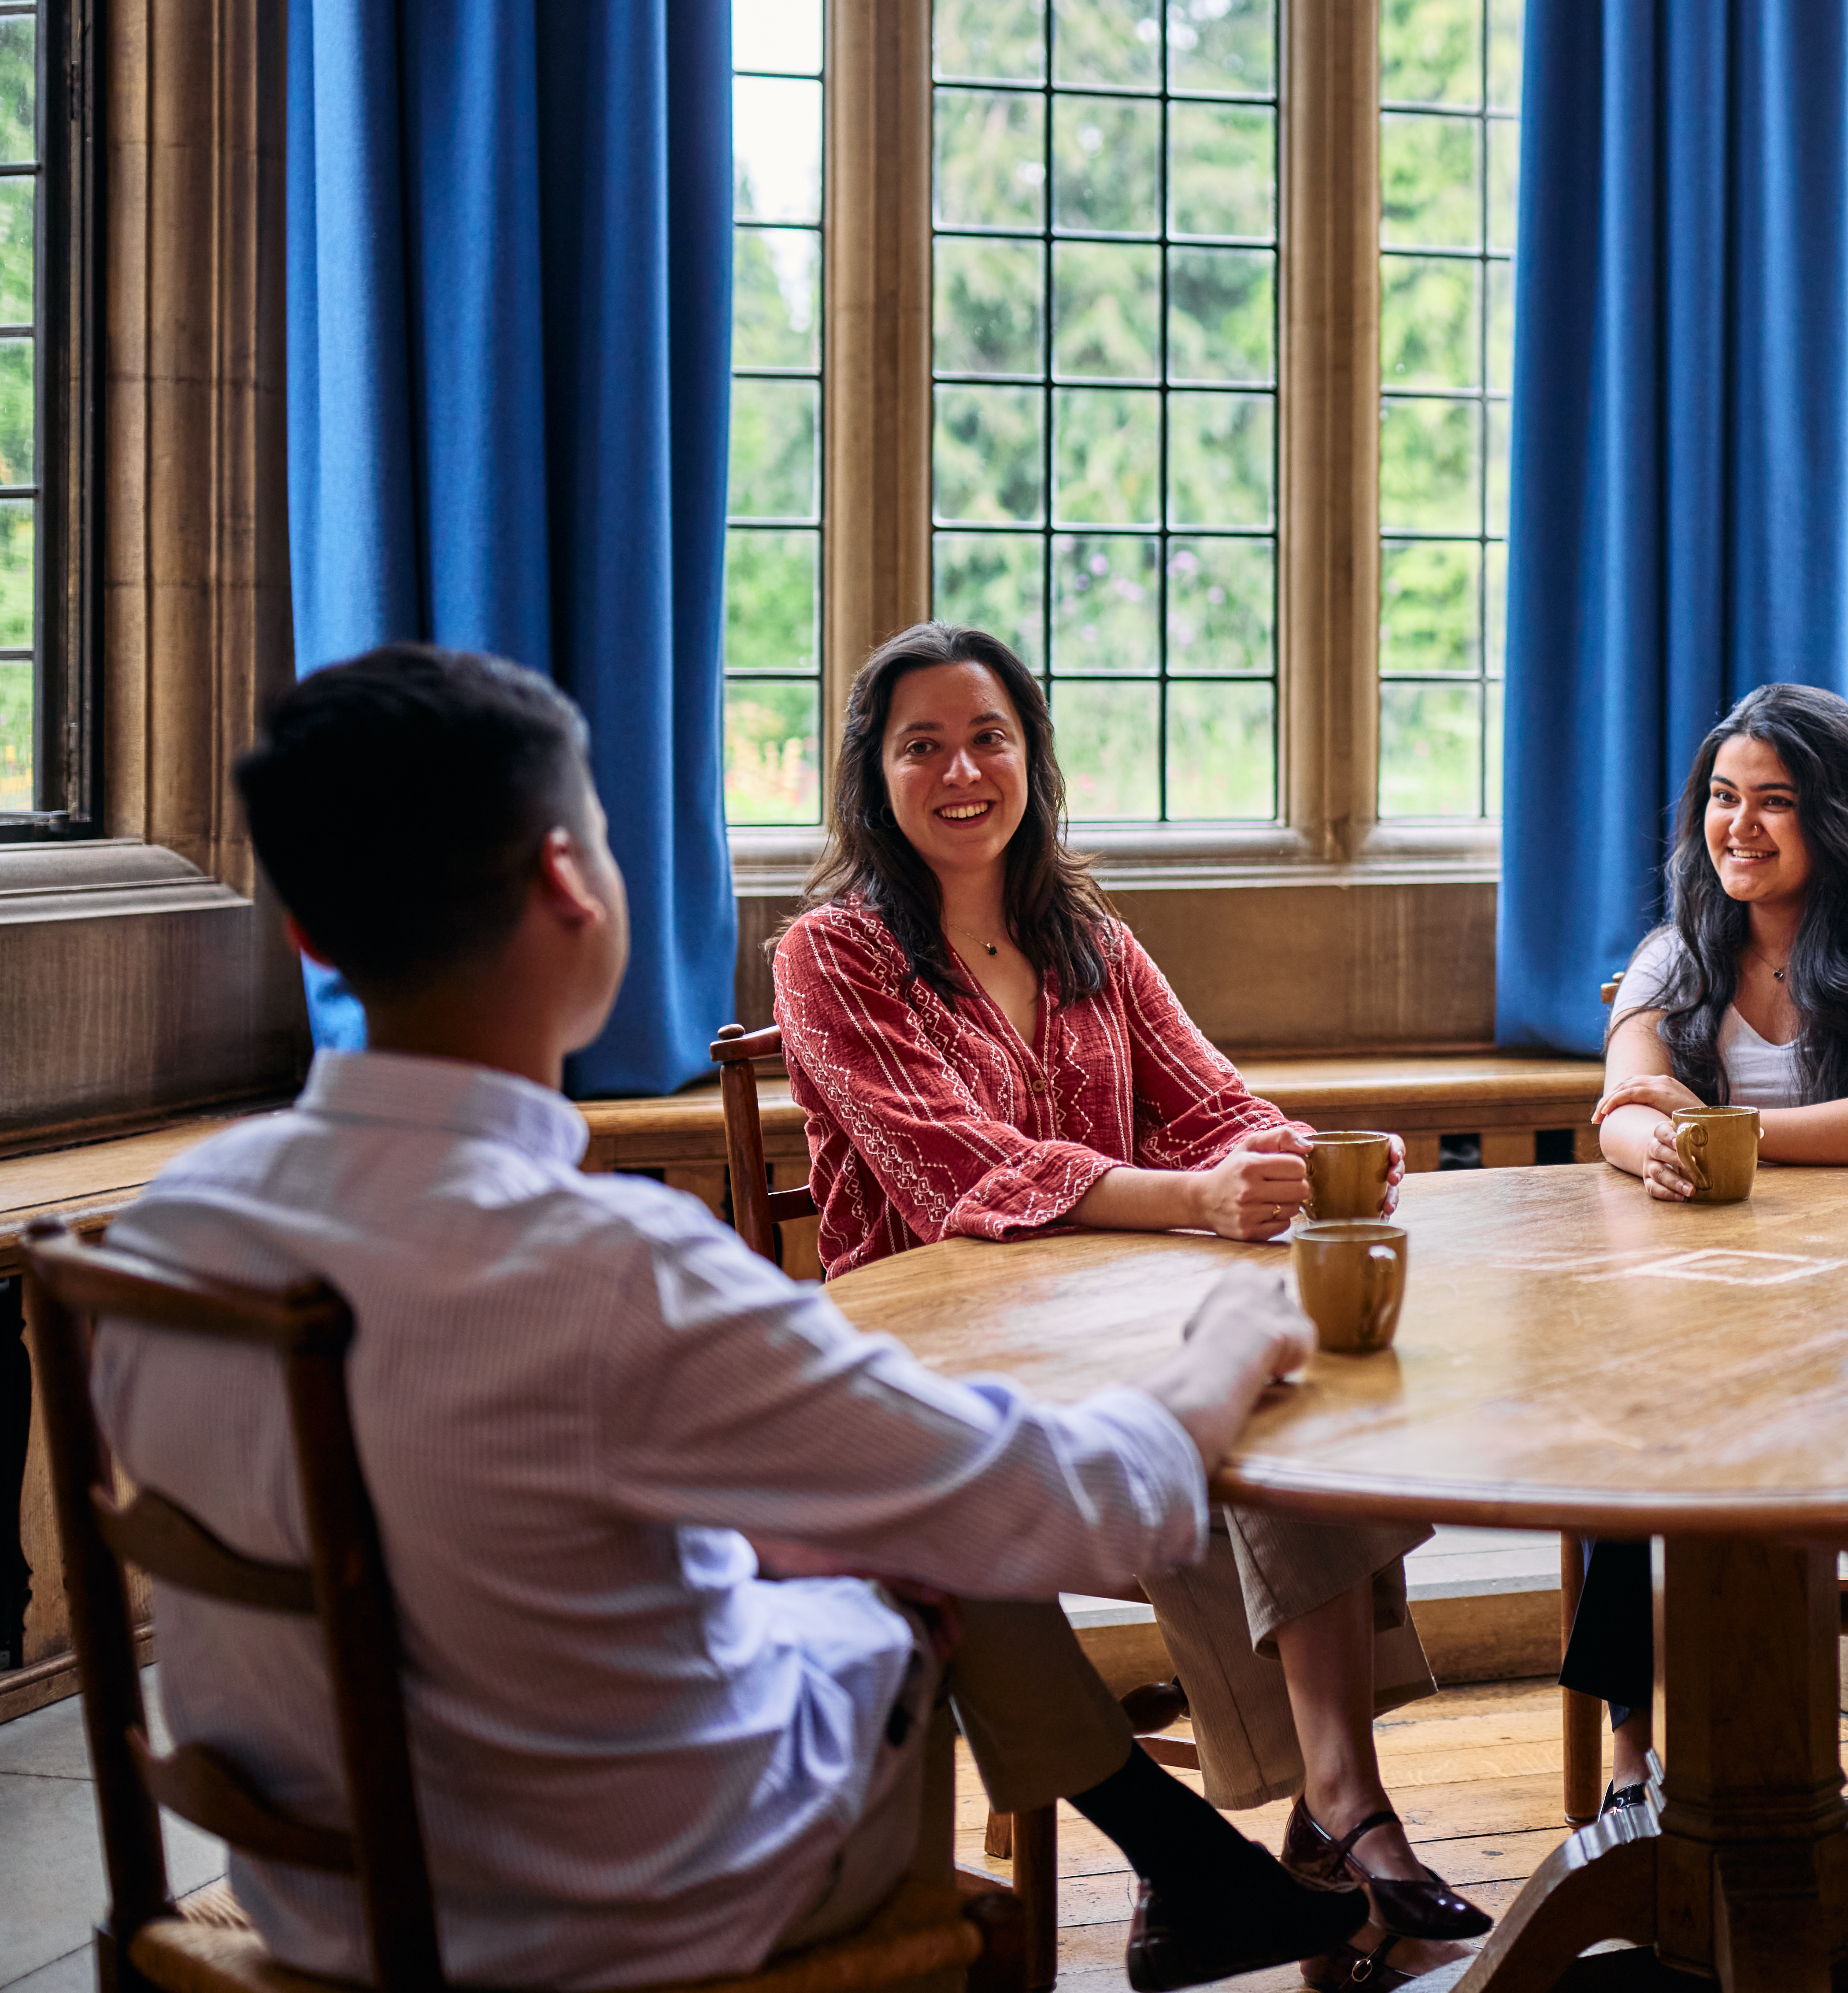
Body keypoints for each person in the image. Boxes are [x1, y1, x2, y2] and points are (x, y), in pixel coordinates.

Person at [97, 644, 1368, 1991]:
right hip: (621, 1909)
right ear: (569, 885)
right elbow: (1071, 1504)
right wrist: (1233, 1344)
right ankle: (1214, 1850)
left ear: (306, 927)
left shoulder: (171, 1228)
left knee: (831, 1545)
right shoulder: (615, 1267)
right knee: (899, 1590)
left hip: (314, 1892)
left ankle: (1255, 1837)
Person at [771, 623, 1483, 1993]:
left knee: (1295, 1402)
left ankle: (1337, 1808)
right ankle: (1298, 1832)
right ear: (873, 776)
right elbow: (959, 1168)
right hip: (938, 1356)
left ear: (1032, 753)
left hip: (1111, 1319)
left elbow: (1213, 1103)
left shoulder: (1086, 934)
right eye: (921, 744)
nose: (963, 769)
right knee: (1252, 1429)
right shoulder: (831, 953)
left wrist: (1307, 1155)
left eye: (989, 735)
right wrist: (1196, 1202)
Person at [1576, 684, 1848, 1800]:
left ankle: (1792, 1744)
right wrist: (1650, 1150)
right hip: (1695, 1301)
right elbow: (1622, 1108)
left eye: (1774, 802)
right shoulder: (1674, 956)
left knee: (1777, 1423)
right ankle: (1631, 1755)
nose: (1736, 828)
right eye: (1720, 798)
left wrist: (1726, 1133)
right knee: (1630, 1434)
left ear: (1838, 819)